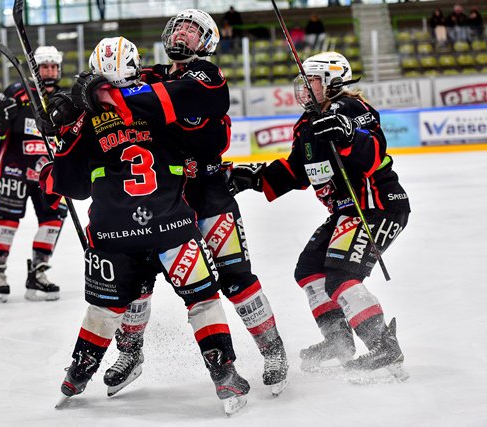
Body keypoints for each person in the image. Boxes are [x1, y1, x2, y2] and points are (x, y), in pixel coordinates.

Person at [39, 36, 250, 415]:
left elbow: (71, 186)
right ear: (136, 67)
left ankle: (77, 374)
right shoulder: (158, 99)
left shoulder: (86, 121)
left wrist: (63, 132)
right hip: (170, 225)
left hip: (112, 233)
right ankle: (224, 372)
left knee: (104, 309)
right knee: (202, 299)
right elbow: (207, 136)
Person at [87, 9, 289, 397]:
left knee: (234, 276)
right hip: (164, 197)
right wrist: (80, 93)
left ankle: (272, 349)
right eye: (178, 27)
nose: (183, 33)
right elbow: (109, 86)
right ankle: (130, 353)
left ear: (207, 43)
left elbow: (168, 100)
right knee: (138, 277)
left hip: (209, 193)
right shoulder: (150, 76)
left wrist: (110, 95)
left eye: (193, 31)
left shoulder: (206, 77)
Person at [228, 52, 411, 378]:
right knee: (310, 270)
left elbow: (373, 153)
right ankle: (339, 342)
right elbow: (298, 171)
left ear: (332, 81)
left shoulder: (355, 109)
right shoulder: (307, 124)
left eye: (311, 80)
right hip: (344, 213)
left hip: (377, 206)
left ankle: (384, 347)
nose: (305, 86)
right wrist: (254, 178)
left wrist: (347, 135)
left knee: (341, 275)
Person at [0, 46, 67, 303]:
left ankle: (38, 273)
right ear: (36, 70)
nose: (50, 71)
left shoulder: (64, 99)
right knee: (8, 222)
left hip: (48, 172)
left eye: (54, 67)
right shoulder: (16, 91)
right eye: (45, 67)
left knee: (53, 220)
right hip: (15, 170)